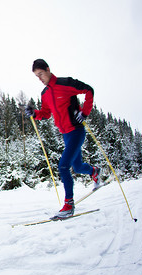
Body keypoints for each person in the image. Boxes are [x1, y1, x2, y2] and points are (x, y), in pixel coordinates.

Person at [25, 59, 100, 219]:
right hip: (65, 134)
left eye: (41, 74)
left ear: (48, 69)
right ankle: (94, 171)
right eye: (36, 76)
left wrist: (85, 112)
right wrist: (34, 113)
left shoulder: (66, 84)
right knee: (78, 167)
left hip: (77, 131)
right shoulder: (45, 94)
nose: (40, 78)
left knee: (64, 166)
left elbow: (88, 90)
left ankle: (69, 205)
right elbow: (46, 113)